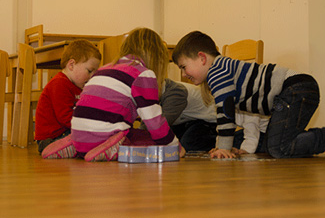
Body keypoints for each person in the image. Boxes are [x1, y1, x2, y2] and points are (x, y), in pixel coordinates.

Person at [171, 30, 325, 159]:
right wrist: (229, 147)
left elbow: (226, 113)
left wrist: (223, 146)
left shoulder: (216, 73)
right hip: (297, 89)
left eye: (184, 67)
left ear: (202, 58)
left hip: (295, 89)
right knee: (275, 143)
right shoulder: (224, 69)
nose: (183, 74)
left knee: (278, 148)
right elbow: (244, 119)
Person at [42, 27, 185, 161]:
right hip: (105, 136)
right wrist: (174, 146)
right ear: (157, 57)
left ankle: (76, 145)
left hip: (79, 133)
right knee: (148, 139)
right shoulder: (144, 74)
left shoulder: (104, 68)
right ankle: (109, 147)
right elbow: (154, 122)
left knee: (130, 131)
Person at [35, 39, 101, 154]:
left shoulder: (77, 86)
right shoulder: (59, 83)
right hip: (50, 139)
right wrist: (88, 127)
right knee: (88, 138)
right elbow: (65, 117)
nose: (92, 76)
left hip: (63, 134)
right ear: (71, 65)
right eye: (89, 71)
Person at [158, 78, 218, 152]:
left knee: (187, 145)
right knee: (170, 141)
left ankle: (225, 141)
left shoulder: (175, 92)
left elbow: (162, 124)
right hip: (190, 120)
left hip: (210, 121)